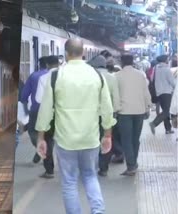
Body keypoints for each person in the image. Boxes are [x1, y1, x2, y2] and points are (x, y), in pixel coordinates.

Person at [36, 38, 115, 214]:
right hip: (90, 139)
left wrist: (41, 137)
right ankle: (98, 211)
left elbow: (46, 109)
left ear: (66, 53)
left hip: (66, 141)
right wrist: (107, 134)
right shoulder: (96, 75)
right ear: (83, 53)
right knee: (90, 176)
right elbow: (107, 109)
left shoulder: (56, 76)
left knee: (70, 182)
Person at [115, 53, 152, 176]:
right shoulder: (140, 75)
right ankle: (133, 163)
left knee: (126, 140)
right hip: (139, 111)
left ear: (121, 62)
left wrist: (115, 110)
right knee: (135, 139)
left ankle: (131, 166)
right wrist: (148, 108)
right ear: (132, 62)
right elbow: (146, 93)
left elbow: (115, 95)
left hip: (124, 112)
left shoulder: (117, 76)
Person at [89, 55, 123, 176]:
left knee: (90, 141)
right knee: (106, 139)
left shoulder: (89, 77)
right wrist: (116, 112)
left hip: (90, 115)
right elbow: (116, 97)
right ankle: (103, 168)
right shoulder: (111, 77)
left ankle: (88, 167)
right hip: (107, 114)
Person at [33, 55, 60, 178]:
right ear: (59, 64)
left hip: (49, 115)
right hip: (65, 115)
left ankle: (49, 170)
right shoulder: (67, 76)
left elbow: (38, 99)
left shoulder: (44, 78)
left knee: (48, 142)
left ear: (47, 65)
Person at [21, 56, 49, 163]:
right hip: (50, 110)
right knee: (49, 135)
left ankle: (39, 147)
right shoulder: (53, 76)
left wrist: (25, 110)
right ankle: (43, 148)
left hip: (36, 109)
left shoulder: (33, 76)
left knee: (32, 131)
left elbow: (24, 96)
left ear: (39, 65)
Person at [149, 55, 176, 135]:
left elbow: (151, 79)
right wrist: (175, 88)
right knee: (166, 111)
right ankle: (154, 123)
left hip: (158, 93)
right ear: (165, 60)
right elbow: (172, 82)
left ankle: (168, 129)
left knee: (165, 110)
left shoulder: (155, 68)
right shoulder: (167, 69)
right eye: (167, 59)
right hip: (167, 92)